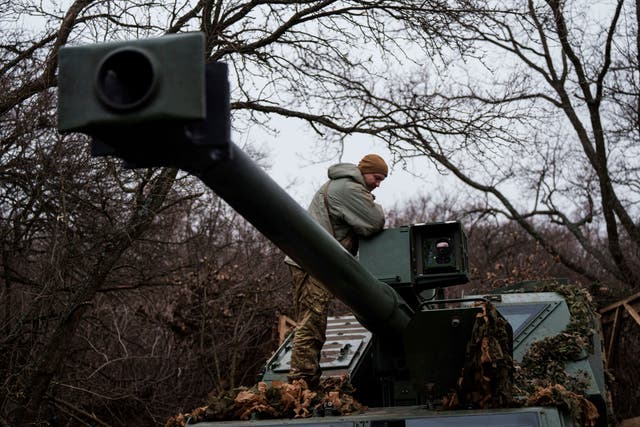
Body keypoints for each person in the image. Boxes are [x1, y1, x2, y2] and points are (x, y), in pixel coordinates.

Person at [284, 154, 388, 388]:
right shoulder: (347, 188)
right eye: (377, 177)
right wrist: (374, 206)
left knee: (312, 320)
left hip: (310, 261)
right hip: (312, 262)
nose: (378, 183)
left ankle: (305, 379)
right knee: (312, 320)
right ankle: (302, 381)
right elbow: (374, 222)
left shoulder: (343, 186)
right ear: (364, 172)